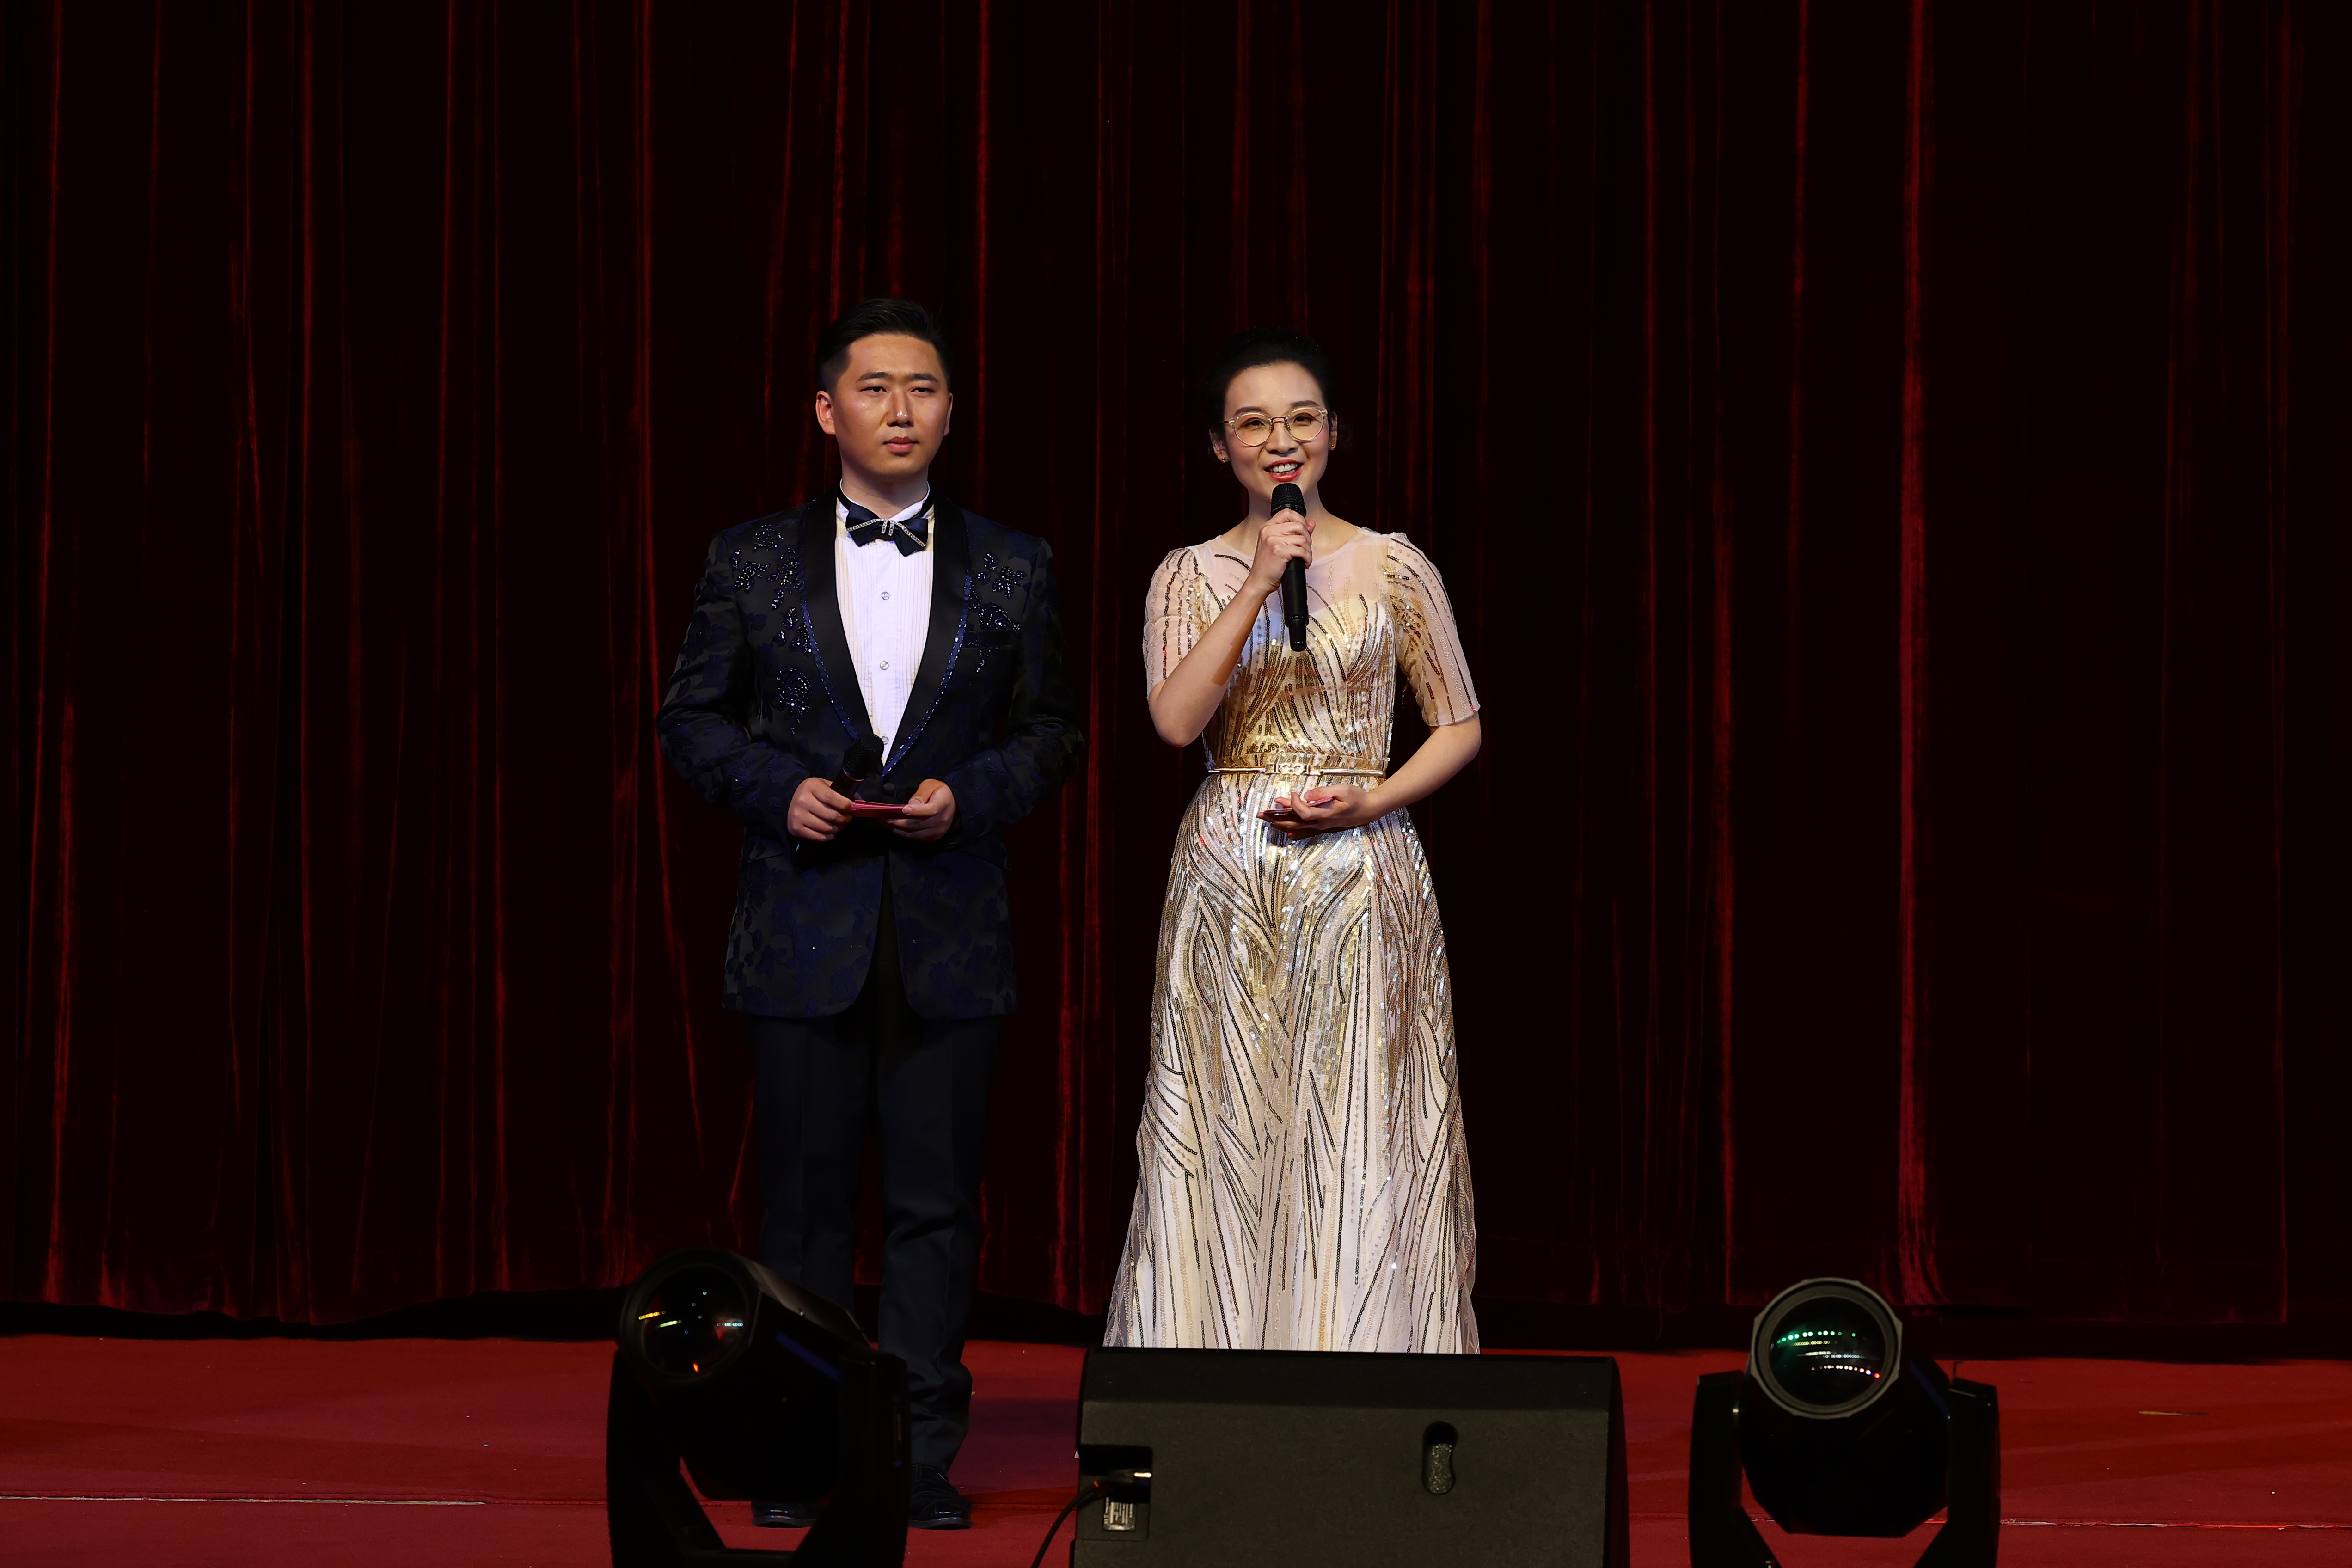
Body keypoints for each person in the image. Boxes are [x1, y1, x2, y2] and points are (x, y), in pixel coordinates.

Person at [656, 297, 1083, 1529]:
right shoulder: (748, 557)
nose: (902, 410)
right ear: (825, 410)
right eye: (876, 388)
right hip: (801, 927)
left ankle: (914, 1458)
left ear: (951, 412)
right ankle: (799, 1447)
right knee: (801, 1210)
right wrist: (776, 790)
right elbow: (691, 719)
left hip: (952, 930)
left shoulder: (1016, 563)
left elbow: (1053, 732)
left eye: (925, 389)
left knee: (936, 1210)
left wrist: (972, 796)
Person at [1104, 327, 1484, 1354]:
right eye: (1254, 423)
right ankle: (1210, 1360)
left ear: (1333, 433)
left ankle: (1361, 1362)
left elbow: (1459, 723)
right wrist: (1257, 581)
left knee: (1359, 1115)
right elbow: (1176, 721)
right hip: (1233, 870)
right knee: (1226, 1120)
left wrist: (1375, 800)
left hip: (1362, 871)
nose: (1282, 440)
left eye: (1302, 418)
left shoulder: (1397, 566)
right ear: (1219, 445)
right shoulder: (1187, 574)